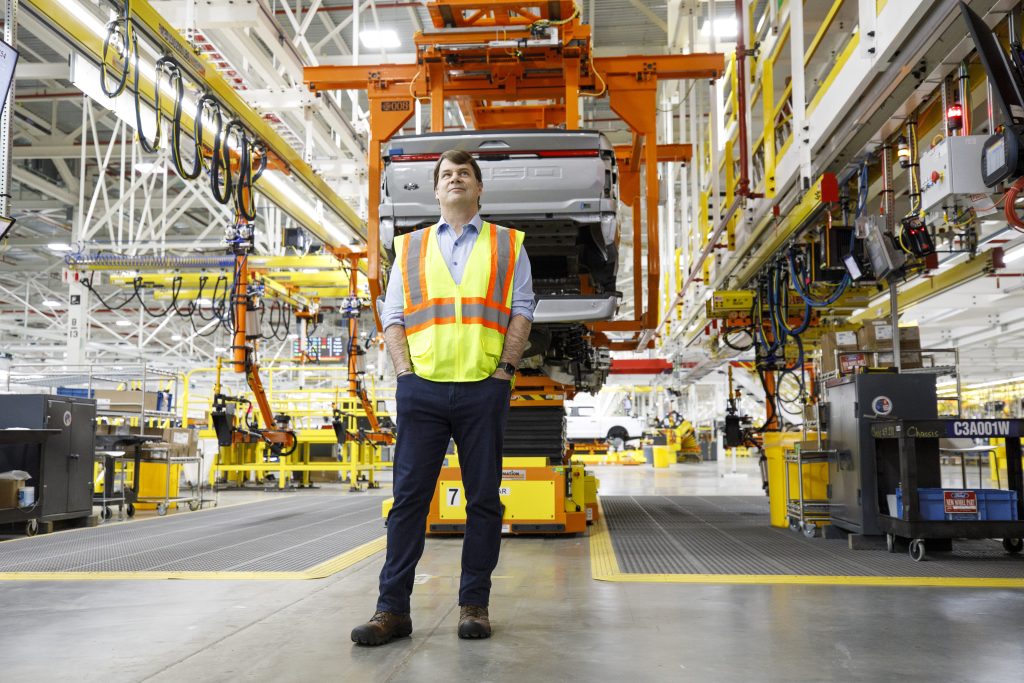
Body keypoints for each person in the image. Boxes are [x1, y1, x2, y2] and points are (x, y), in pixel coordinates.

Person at [351, 149, 535, 646]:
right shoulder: (409, 247)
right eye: (447, 175)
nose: (455, 180)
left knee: (483, 503)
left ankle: (474, 604)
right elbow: (391, 315)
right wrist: (405, 372)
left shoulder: (507, 245)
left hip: (483, 388)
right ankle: (392, 610)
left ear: (479, 188)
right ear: (436, 190)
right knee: (408, 502)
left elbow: (522, 309)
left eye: (464, 174)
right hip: (422, 389)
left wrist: (505, 369)